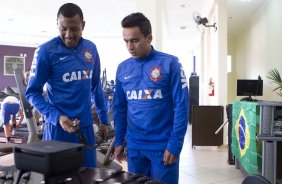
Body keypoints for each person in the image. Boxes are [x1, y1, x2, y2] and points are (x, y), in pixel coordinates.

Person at [25, 3, 108, 168]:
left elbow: (95, 86)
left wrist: (104, 119)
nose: (69, 34)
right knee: (58, 178)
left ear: (83, 25)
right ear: (57, 24)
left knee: (88, 176)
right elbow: (32, 93)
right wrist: (56, 117)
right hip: (58, 128)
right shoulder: (45, 51)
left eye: (75, 29)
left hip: (85, 128)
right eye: (63, 29)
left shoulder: (91, 48)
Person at [113, 12, 189, 184]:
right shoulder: (122, 68)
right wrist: (119, 140)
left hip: (163, 147)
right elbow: (120, 107)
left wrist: (175, 145)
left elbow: (182, 107)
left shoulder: (171, 64)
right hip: (135, 147)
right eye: (126, 41)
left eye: (135, 40)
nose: (130, 46)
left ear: (149, 38)